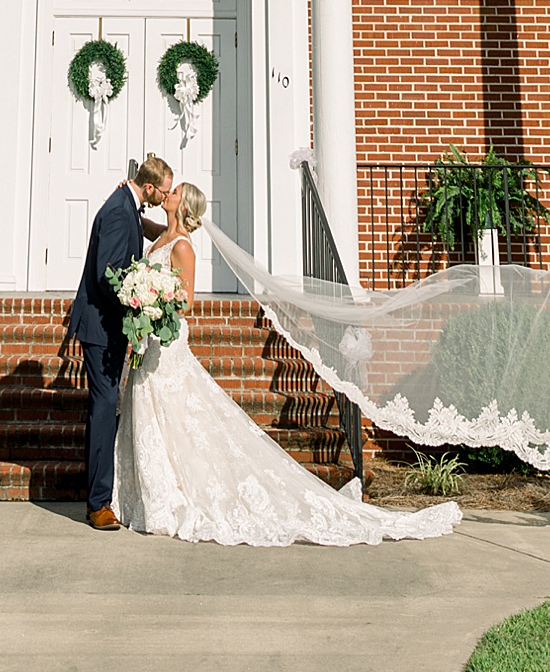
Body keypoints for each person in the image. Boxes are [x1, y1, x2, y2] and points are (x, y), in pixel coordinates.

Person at [113, 182, 463, 548]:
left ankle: (177, 496)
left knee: (178, 417)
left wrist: (150, 300)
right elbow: (145, 229)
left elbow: (186, 304)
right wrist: (131, 197)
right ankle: (155, 494)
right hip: (148, 342)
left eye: (173, 192)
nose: (166, 194)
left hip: (166, 342)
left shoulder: (182, 245)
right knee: (159, 415)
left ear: (182, 204)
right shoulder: (162, 235)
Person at [68, 152, 172, 529]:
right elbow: (106, 273)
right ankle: (98, 503)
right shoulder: (116, 210)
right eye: (163, 191)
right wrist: (139, 301)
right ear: (148, 187)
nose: (165, 197)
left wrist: (166, 232)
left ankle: (101, 495)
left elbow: (135, 223)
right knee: (103, 407)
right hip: (101, 326)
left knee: (106, 406)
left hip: (108, 326)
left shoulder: (126, 204)